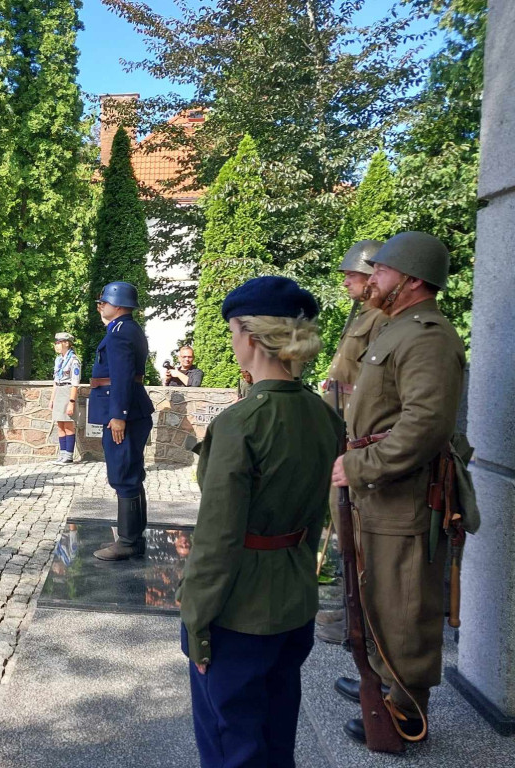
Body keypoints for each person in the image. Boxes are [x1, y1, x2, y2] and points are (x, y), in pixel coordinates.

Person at [178, 276, 343, 768]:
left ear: (250, 334)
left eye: (232, 330)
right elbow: (317, 517)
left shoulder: (241, 421)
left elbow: (218, 537)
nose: (231, 341)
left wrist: (197, 620)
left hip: (238, 612)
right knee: (275, 739)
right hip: (293, 600)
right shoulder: (322, 415)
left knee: (232, 745)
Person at [330, 231, 465, 744]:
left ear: (409, 280)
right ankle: (385, 681)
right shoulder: (395, 328)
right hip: (380, 485)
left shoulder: (427, 335)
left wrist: (362, 466)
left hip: (403, 491)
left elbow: (425, 425)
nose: (372, 279)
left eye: (382, 272)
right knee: (378, 589)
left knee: (405, 598)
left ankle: (406, 712)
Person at [315, 239, 384, 646]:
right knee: (346, 534)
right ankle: (351, 616)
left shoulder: (382, 320)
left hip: (360, 441)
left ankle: (364, 626)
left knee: (360, 535)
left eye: (352, 274)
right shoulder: (363, 315)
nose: (344, 280)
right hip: (342, 434)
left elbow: (373, 386)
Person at [88, 282, 155, 561]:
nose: (100, 306)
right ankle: (133, 537)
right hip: (130, 410)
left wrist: (118, 416)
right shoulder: (126, 329)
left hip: (123, 414)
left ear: (117, 304)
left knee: (123, 474)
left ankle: (128, 541)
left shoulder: (119, 332)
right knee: (130, 474)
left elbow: (123, 376)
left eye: (103, 302)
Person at [48, 332, 81, 465]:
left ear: (66, 343)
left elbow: (75, 383)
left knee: (68, 424)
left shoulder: (74, 360)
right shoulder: (58, 360)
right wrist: (52, 399)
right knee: (60, 424)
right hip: (59, 391)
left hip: (68, 391)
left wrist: (71, 402)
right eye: (56, 343)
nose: (57, 345)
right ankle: (62, 454)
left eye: (59, 342)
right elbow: (56, 381)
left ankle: (68, 455)